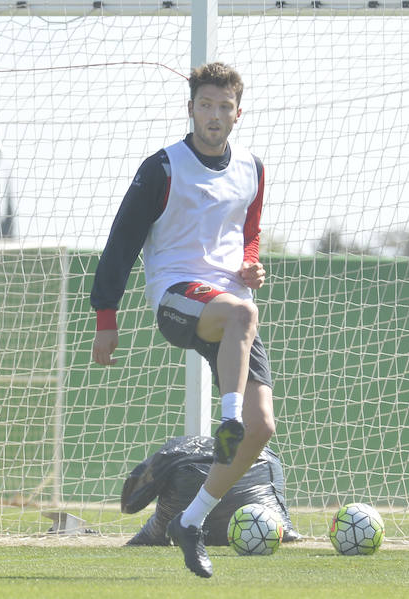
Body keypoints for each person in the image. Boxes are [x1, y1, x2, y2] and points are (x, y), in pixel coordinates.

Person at [90, 63, 274, 578]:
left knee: (264, 427)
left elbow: (250, 229)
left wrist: (250, 263)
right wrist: (108, 316)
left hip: (231, 306)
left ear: (239, 113)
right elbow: (122, 242)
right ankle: (228, 419)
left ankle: (189, 522)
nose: (215, 115)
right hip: (177, 296)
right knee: (242, 315)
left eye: (224, 106)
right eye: (206, 105)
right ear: (190, 108)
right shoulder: (163, 168)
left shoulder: (252, 169)